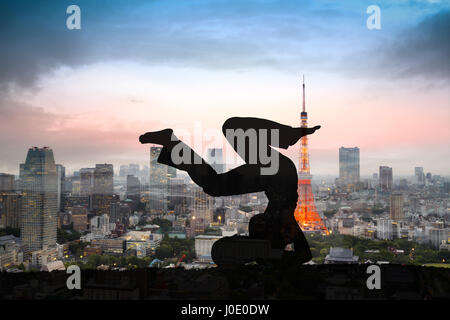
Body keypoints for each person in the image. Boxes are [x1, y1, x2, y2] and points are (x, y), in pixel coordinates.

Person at [139, 117, 320, 265]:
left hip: (274, 175)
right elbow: (304, 255)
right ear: (271, 237)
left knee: (216, 182)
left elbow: (301, 256)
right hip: (278, 174)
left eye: (254, 230)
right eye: (259, 230)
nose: (256, 223)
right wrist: (276, 256)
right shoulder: (288, 226)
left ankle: (171, 143)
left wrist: (264, 255)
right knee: (232, 131)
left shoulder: (282, 221)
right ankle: (288, 134)